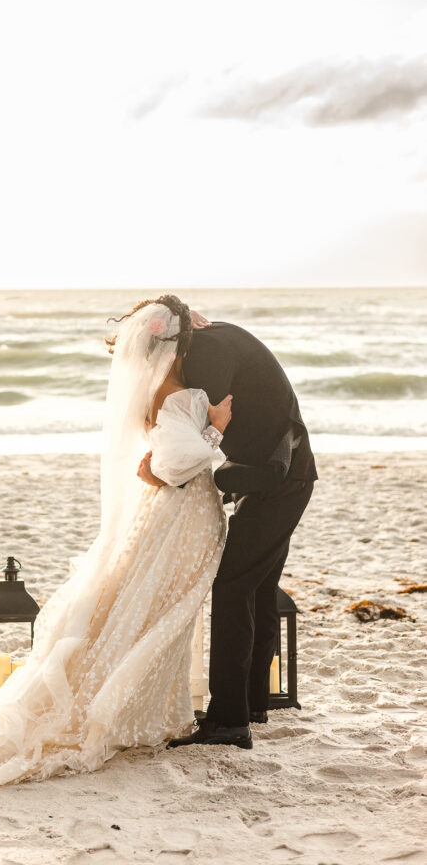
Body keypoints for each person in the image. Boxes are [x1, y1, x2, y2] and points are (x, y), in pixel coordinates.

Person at [0, 295, 232, 792]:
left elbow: (158, 465)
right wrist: (215, 429)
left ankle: (158, 709)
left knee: (156, 609)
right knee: (166, 613)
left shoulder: (157, 395)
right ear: (177, 350)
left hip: (172, 516)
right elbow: (175, 463)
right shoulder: (179, 398)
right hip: (182, 520)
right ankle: (135, 711)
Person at [138, 301, 317, 750]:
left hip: (278, 479)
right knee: (255, 586)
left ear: (168, 342)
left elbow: (192, 444)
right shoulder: (212, 341)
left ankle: (229, 720)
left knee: (234, 587)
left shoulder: (208, 355)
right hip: (279, 475)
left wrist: (157, 472)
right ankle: (250, 703)